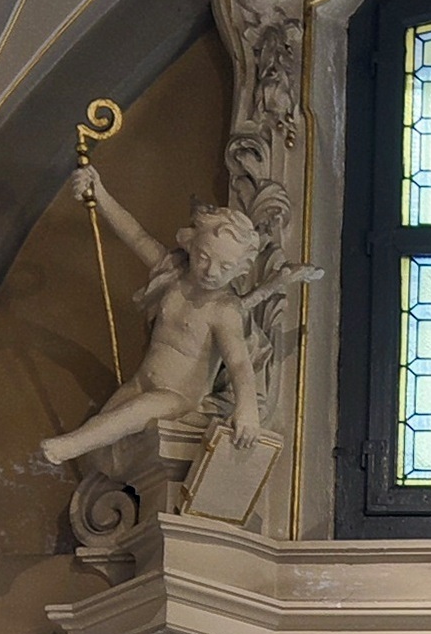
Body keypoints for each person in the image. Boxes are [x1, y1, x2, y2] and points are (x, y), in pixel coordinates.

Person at [39, 170, 266, 474]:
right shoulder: (172, 274)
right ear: (190, 245)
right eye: (203, 257)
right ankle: (83, 450)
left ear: (240, 270)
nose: (212, 271)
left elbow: (238, 362)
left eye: (225, 266)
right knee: (101, 444)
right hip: (141, 381)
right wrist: (100, 192)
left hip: (177, 397)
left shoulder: (224, 310)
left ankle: (67, 445)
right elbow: (135, 235)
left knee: (126, 417)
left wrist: (247, 407)